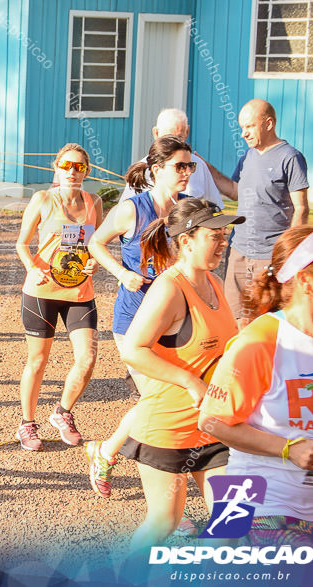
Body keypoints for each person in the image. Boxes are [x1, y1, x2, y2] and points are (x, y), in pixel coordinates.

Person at [199, 225, 313, 547]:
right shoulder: (259, 341)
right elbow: (211, 421)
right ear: (306, 281)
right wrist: (288, 448)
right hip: (263, 503)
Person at [116, 198, 243, 550]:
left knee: (235, 521)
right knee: (164, 522)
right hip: (168, 428)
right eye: (214, 235)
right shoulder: (170, 288)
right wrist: (191, 381)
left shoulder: (214, 282)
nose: (224, 241)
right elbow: (132, 349)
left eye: (225, 233)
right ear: (186, 240)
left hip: (214, 424)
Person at [84, 136, 194, 498]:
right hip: (133, 324)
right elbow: (95, 242)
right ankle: (166, 504)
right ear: (157, 170)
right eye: (180, 165)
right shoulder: (133, 209)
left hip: (171, 322)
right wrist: (121, 274)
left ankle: (105, 451)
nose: (187, 172)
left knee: (162, 402)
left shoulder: (183, 212)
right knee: (160, 402)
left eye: (190, 165)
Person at [14, 144, 104, 451]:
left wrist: (94, 260)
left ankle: (62, 412)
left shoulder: (95, 203)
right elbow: (22, 244)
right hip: (42, 291)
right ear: (56, 167)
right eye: (66, 165)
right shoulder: (42, 199)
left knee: (88, 358)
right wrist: (31, 268)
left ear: (86, 171)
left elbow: (98, 245)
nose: (72, 172)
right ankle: (26, 424)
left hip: (80, 292)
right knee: (38, 361)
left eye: (79, 167)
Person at [209, 99, 309, 327]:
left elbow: (301, 207)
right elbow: (235, 191)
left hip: (271, 254)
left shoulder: (290, 157)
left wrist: (290, 252)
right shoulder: (248, 156)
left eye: (249, 126)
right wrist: (209, 169)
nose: (244, 133)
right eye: (242, 127)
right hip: (239, 251)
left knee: (268, 320)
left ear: (269, 123)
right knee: (235, 318)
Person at [118, 109, 224, 208]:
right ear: (156, 133)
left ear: (187, 131)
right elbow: (124, 214)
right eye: (167, 139)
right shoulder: (143, 169)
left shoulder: (199, 165)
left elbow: (215, 208)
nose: (187, 173)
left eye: (178, 138)